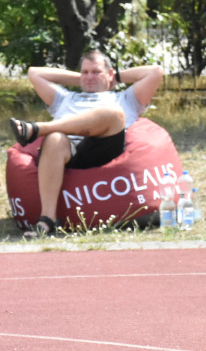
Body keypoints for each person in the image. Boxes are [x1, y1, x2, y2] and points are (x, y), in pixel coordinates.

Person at [10, 51, 164, 238]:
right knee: (55, 138)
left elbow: (156, 72)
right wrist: (85, 80)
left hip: (104, 149)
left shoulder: (126, 98)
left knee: (113, 113)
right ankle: (48, 220)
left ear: (109, 74)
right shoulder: (64, 98)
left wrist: (115, 78)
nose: (89, 76)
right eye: (85, 72)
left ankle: (38, 129)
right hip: (69, 153)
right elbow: (34, 73)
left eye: (96, 72)